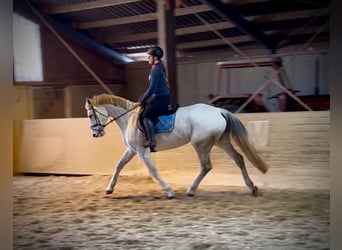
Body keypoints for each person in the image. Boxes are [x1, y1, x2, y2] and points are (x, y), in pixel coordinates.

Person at [139, 46, 171, 151]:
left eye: (149, 56)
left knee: (146, 116)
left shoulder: (156, 70)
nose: (148, 58)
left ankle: (152, 140)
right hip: (161, 97)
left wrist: (143, 99)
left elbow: (152, 88)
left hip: (161, 98)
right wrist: (145, 97)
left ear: (155, 58)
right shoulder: (157, 68)